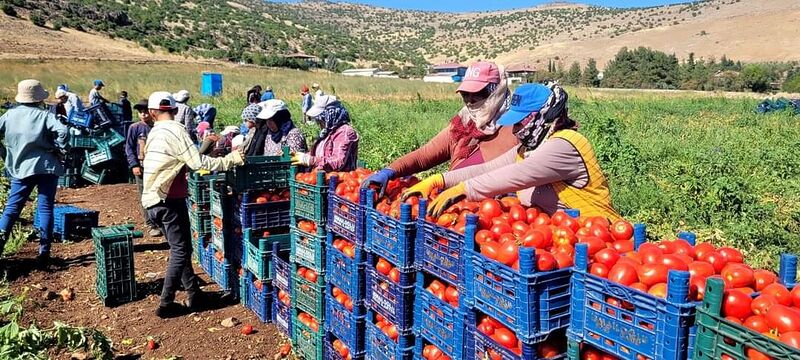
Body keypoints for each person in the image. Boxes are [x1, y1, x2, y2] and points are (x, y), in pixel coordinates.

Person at [411, 83, 621, 221]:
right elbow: (487, 169)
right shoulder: (526, 149)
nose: (515, 129)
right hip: (562, 239)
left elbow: (516, 175)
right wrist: (438, 181)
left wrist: (464, 189)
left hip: (600, 239)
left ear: (543, 115)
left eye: (520, 122)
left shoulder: (565, 145)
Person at [141, 91, 245, 318]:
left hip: (152, 200)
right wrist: (229, 160)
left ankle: (194, 294)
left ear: (151, 112)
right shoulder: (176, 129)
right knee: (181, 250)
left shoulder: (154, 133)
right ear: (176, 110)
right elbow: (197, 162)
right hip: (167, 200)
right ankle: (166, 303)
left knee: (181, 247)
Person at [362, 61, 517, 196]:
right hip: (451, 210)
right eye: (465, 94)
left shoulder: (515, 129)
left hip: (488, 218)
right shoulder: (463, 125)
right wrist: (390, 171)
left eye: (478, 93)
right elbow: (424, 155)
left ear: (497, 91)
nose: (470, 101)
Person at [0, 80, 69, 266]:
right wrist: (60, 149)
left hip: (20, 168)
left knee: (11, 209)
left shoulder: (8, 116)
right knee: (45, 207)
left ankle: (0, 246)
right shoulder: (44, 115)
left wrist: (5, 154)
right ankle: (44, 253)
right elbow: (63, 131)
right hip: (46, 166)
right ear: (39, 98)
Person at [292, 95, 358, 172]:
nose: (318, 122)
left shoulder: (345, 132)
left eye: (320, 119)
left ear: (329, 116)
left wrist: (310, 160)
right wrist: (304, 156)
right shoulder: (327, 131)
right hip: (321, 176)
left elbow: (338, 161)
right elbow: (320, 154)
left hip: (338, 180)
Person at [125, 99, 161, 237]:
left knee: (158, 192)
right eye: (141, 112)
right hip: (141, 166)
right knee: (144, 194)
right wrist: (133, 164)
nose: (143, 114)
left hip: (157, 166)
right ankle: (150, 223)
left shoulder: (157, 127)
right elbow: (129, 147)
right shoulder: (135, 128)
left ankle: (159, 220)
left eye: (146, 111)